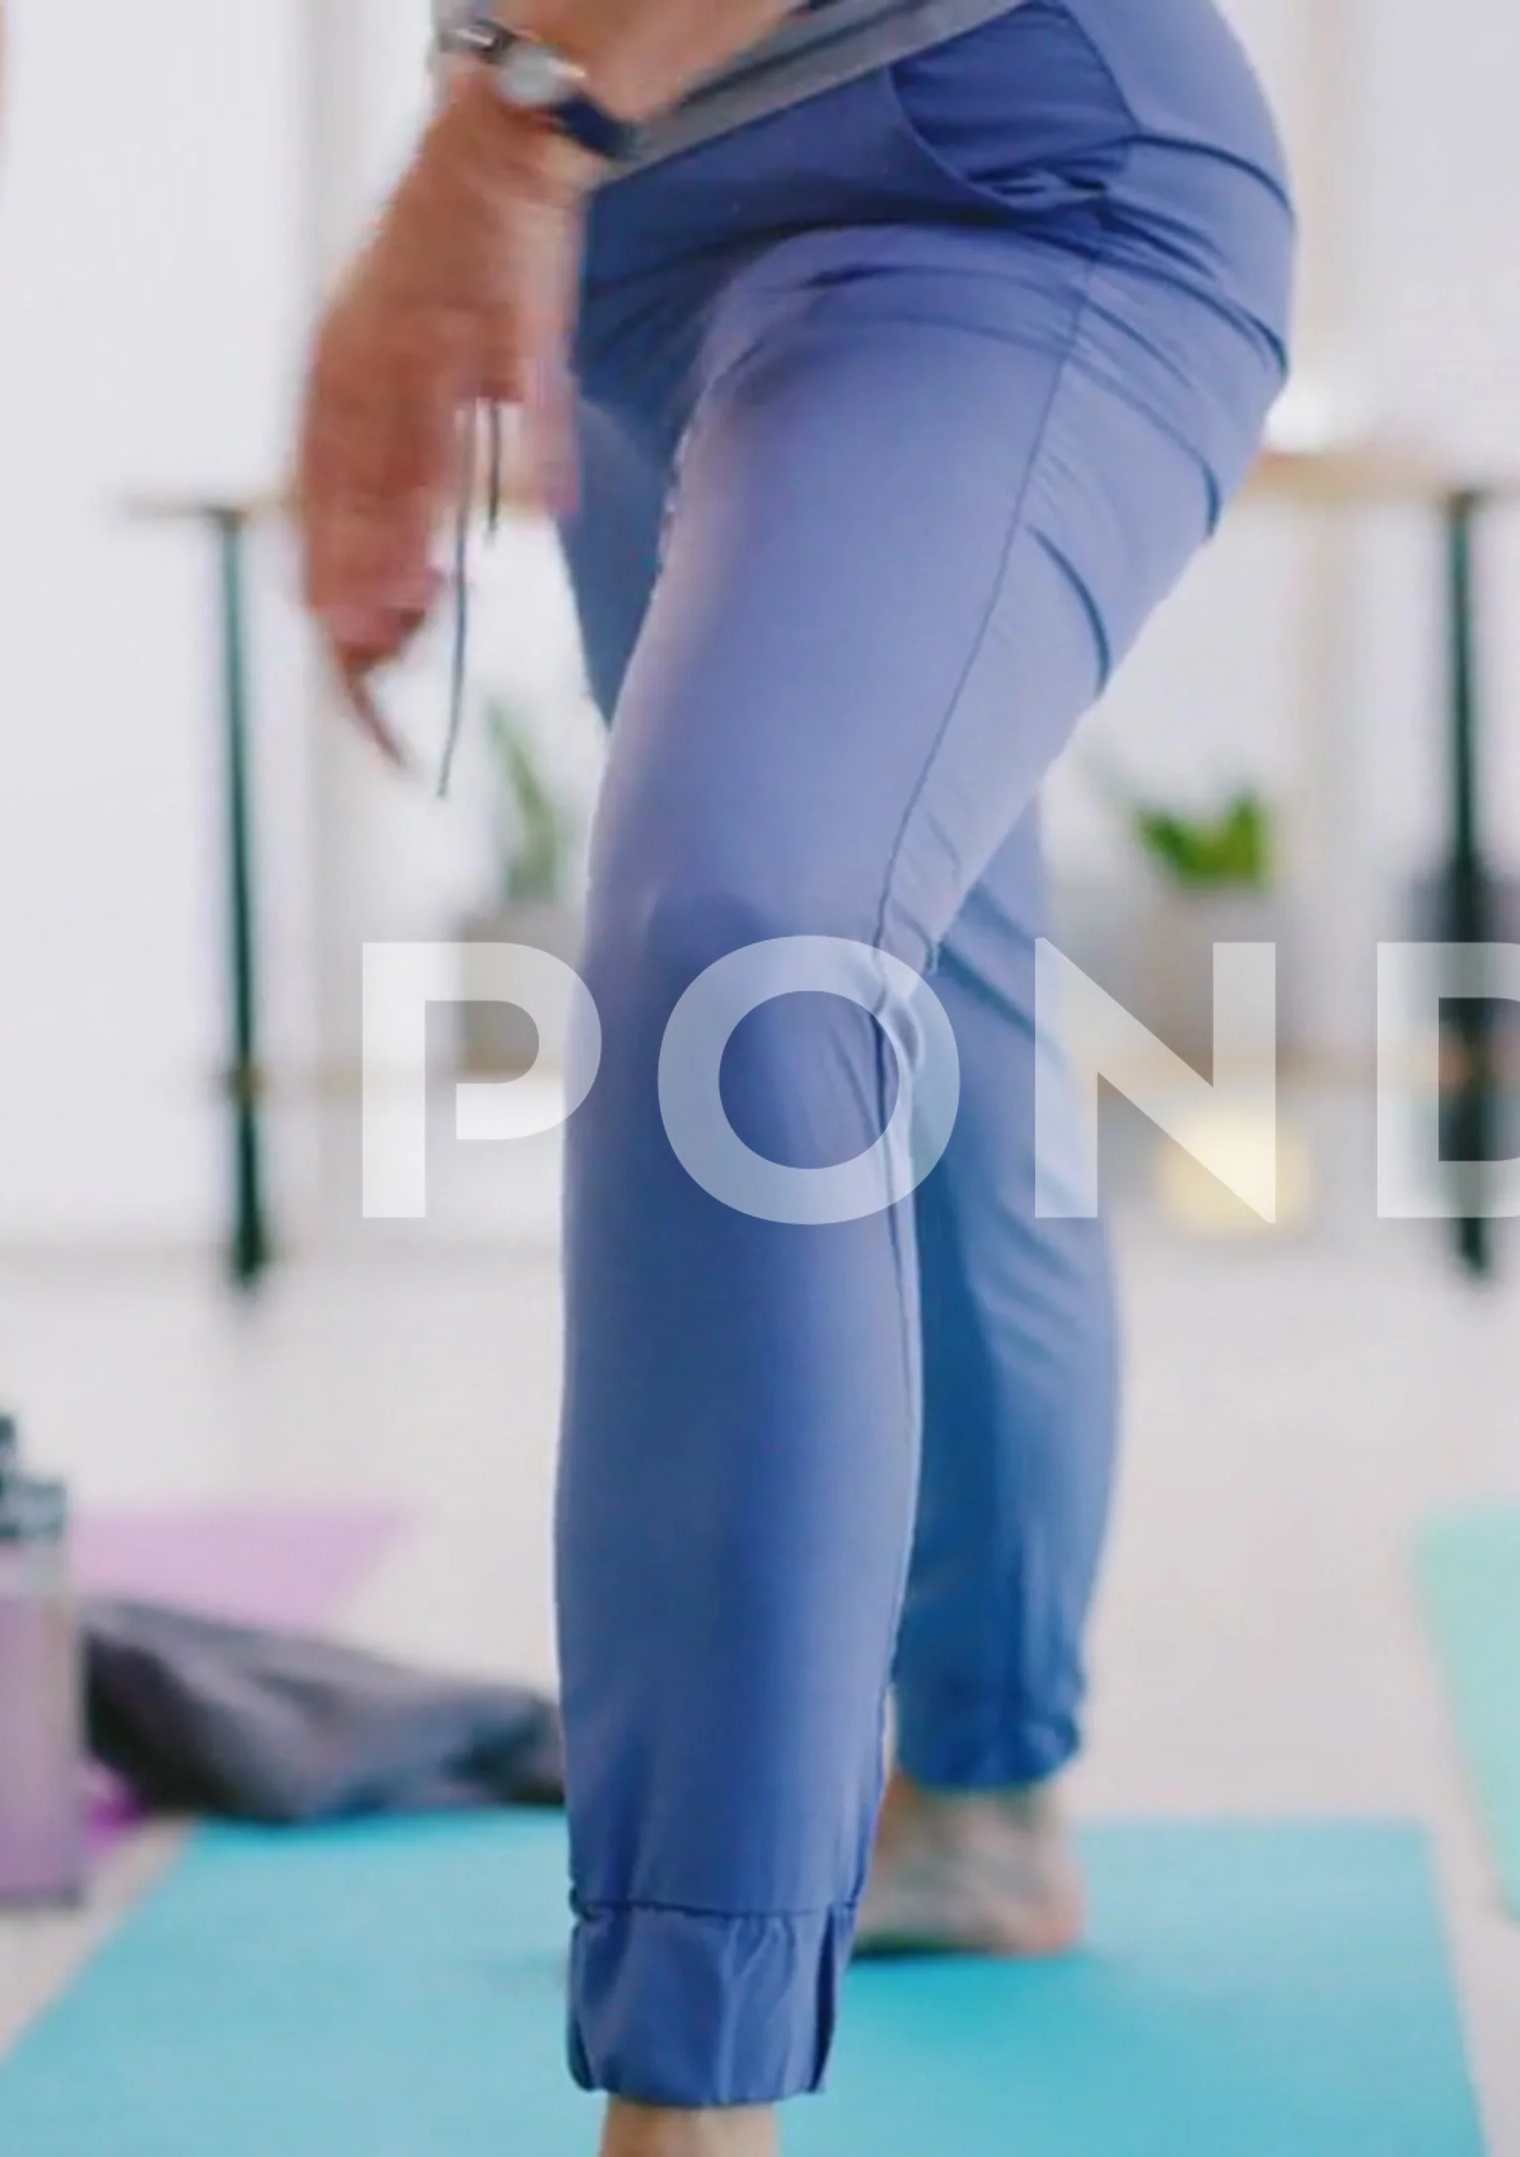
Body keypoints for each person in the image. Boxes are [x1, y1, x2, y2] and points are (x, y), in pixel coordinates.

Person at [298, 1, 1287, 2148]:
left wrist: (501, 133)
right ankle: (990, 1798)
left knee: (737, 953)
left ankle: (693, 2085)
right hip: (627, 237)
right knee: (918, 990)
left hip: (986, 169)